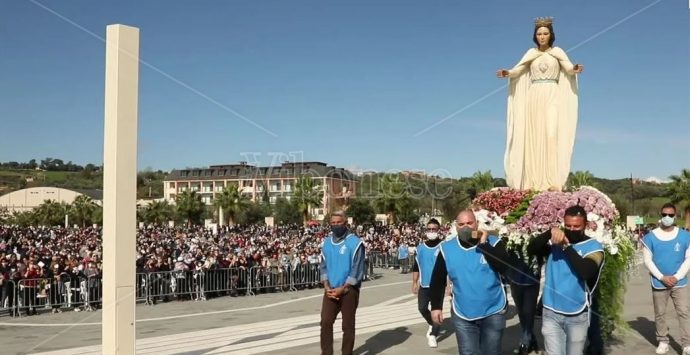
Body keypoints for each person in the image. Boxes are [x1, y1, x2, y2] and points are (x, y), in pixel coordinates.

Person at [497, 17, 583, 191]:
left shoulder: (557, 52)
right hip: (534, 96)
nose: (542, 36)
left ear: (551, 35)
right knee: (533, 136)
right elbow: (519, 69)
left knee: (551, 134)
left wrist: (574, 69)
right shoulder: (531, 53)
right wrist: (508, 72)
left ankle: (553, 180)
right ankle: (532, 181)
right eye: (539, 34)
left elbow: (567, 67)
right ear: (535, 36)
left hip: (552, 94)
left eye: (545, 33)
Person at [429, 210, 513, 355]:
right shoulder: (446, 248)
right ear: (456, 226)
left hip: (493, 310)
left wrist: (484, 244)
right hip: (463, 313)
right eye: (461, 224)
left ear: (477, 224)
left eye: (469, 223)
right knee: (468, 352)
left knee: (491, 352)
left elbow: (505, 267)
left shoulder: (494, 242)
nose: (466, 227)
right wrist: (436, 306)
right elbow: (437, 279)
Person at [527, 205, 604, 355]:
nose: (572, 229)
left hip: (577, 314)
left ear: (586, 225)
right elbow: (532, 249)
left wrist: (566, 246)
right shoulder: (553, 244)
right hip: (551, 311)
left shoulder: (594, 247)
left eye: (576, 226)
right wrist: (549, 233)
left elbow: (585, 271)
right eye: (568, 226)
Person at [641, 203, 690, 355]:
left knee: (683, 312)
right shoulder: (650, 237)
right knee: (660, 313)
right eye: (664, 215)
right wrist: (662, 277)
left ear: (675, 216)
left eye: (670, 215)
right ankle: (663, 341)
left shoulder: (685, 236)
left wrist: (676, 276)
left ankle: (686, 344)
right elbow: (648, 261)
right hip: (659, 282)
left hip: (680, 282)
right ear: (660, 216)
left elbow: (688, 258)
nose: (667, 218)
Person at [319, 211, 365, 355]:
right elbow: (323, 266)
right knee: (326, 322)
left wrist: (345, 288)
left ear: (345, 223)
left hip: (349, 290)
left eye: (339, 222)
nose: (335, 225)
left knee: (348, 325)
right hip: (331, 289)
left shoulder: (355, 243)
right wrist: (326, 286)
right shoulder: (326, 243)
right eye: (333, 223)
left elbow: (357, 269)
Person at [411, 218, 444, 348]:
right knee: (422, 308)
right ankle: (432, 323)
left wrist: (449, 284)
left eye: (434, 229)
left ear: (438, 230)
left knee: (437, 311)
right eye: (429, 229)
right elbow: (416, 266)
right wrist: (414, 282)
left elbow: (449, 266)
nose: (431, 231)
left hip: (439, 286)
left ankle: (433, 335)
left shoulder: (444, 246)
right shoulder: (420, 248)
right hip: (424, 285)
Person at [505, 239, 542, 354]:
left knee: (529, 311)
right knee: (521, 311)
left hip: (531, 277)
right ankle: (531, 340)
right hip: (515, 277)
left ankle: (525, 341)